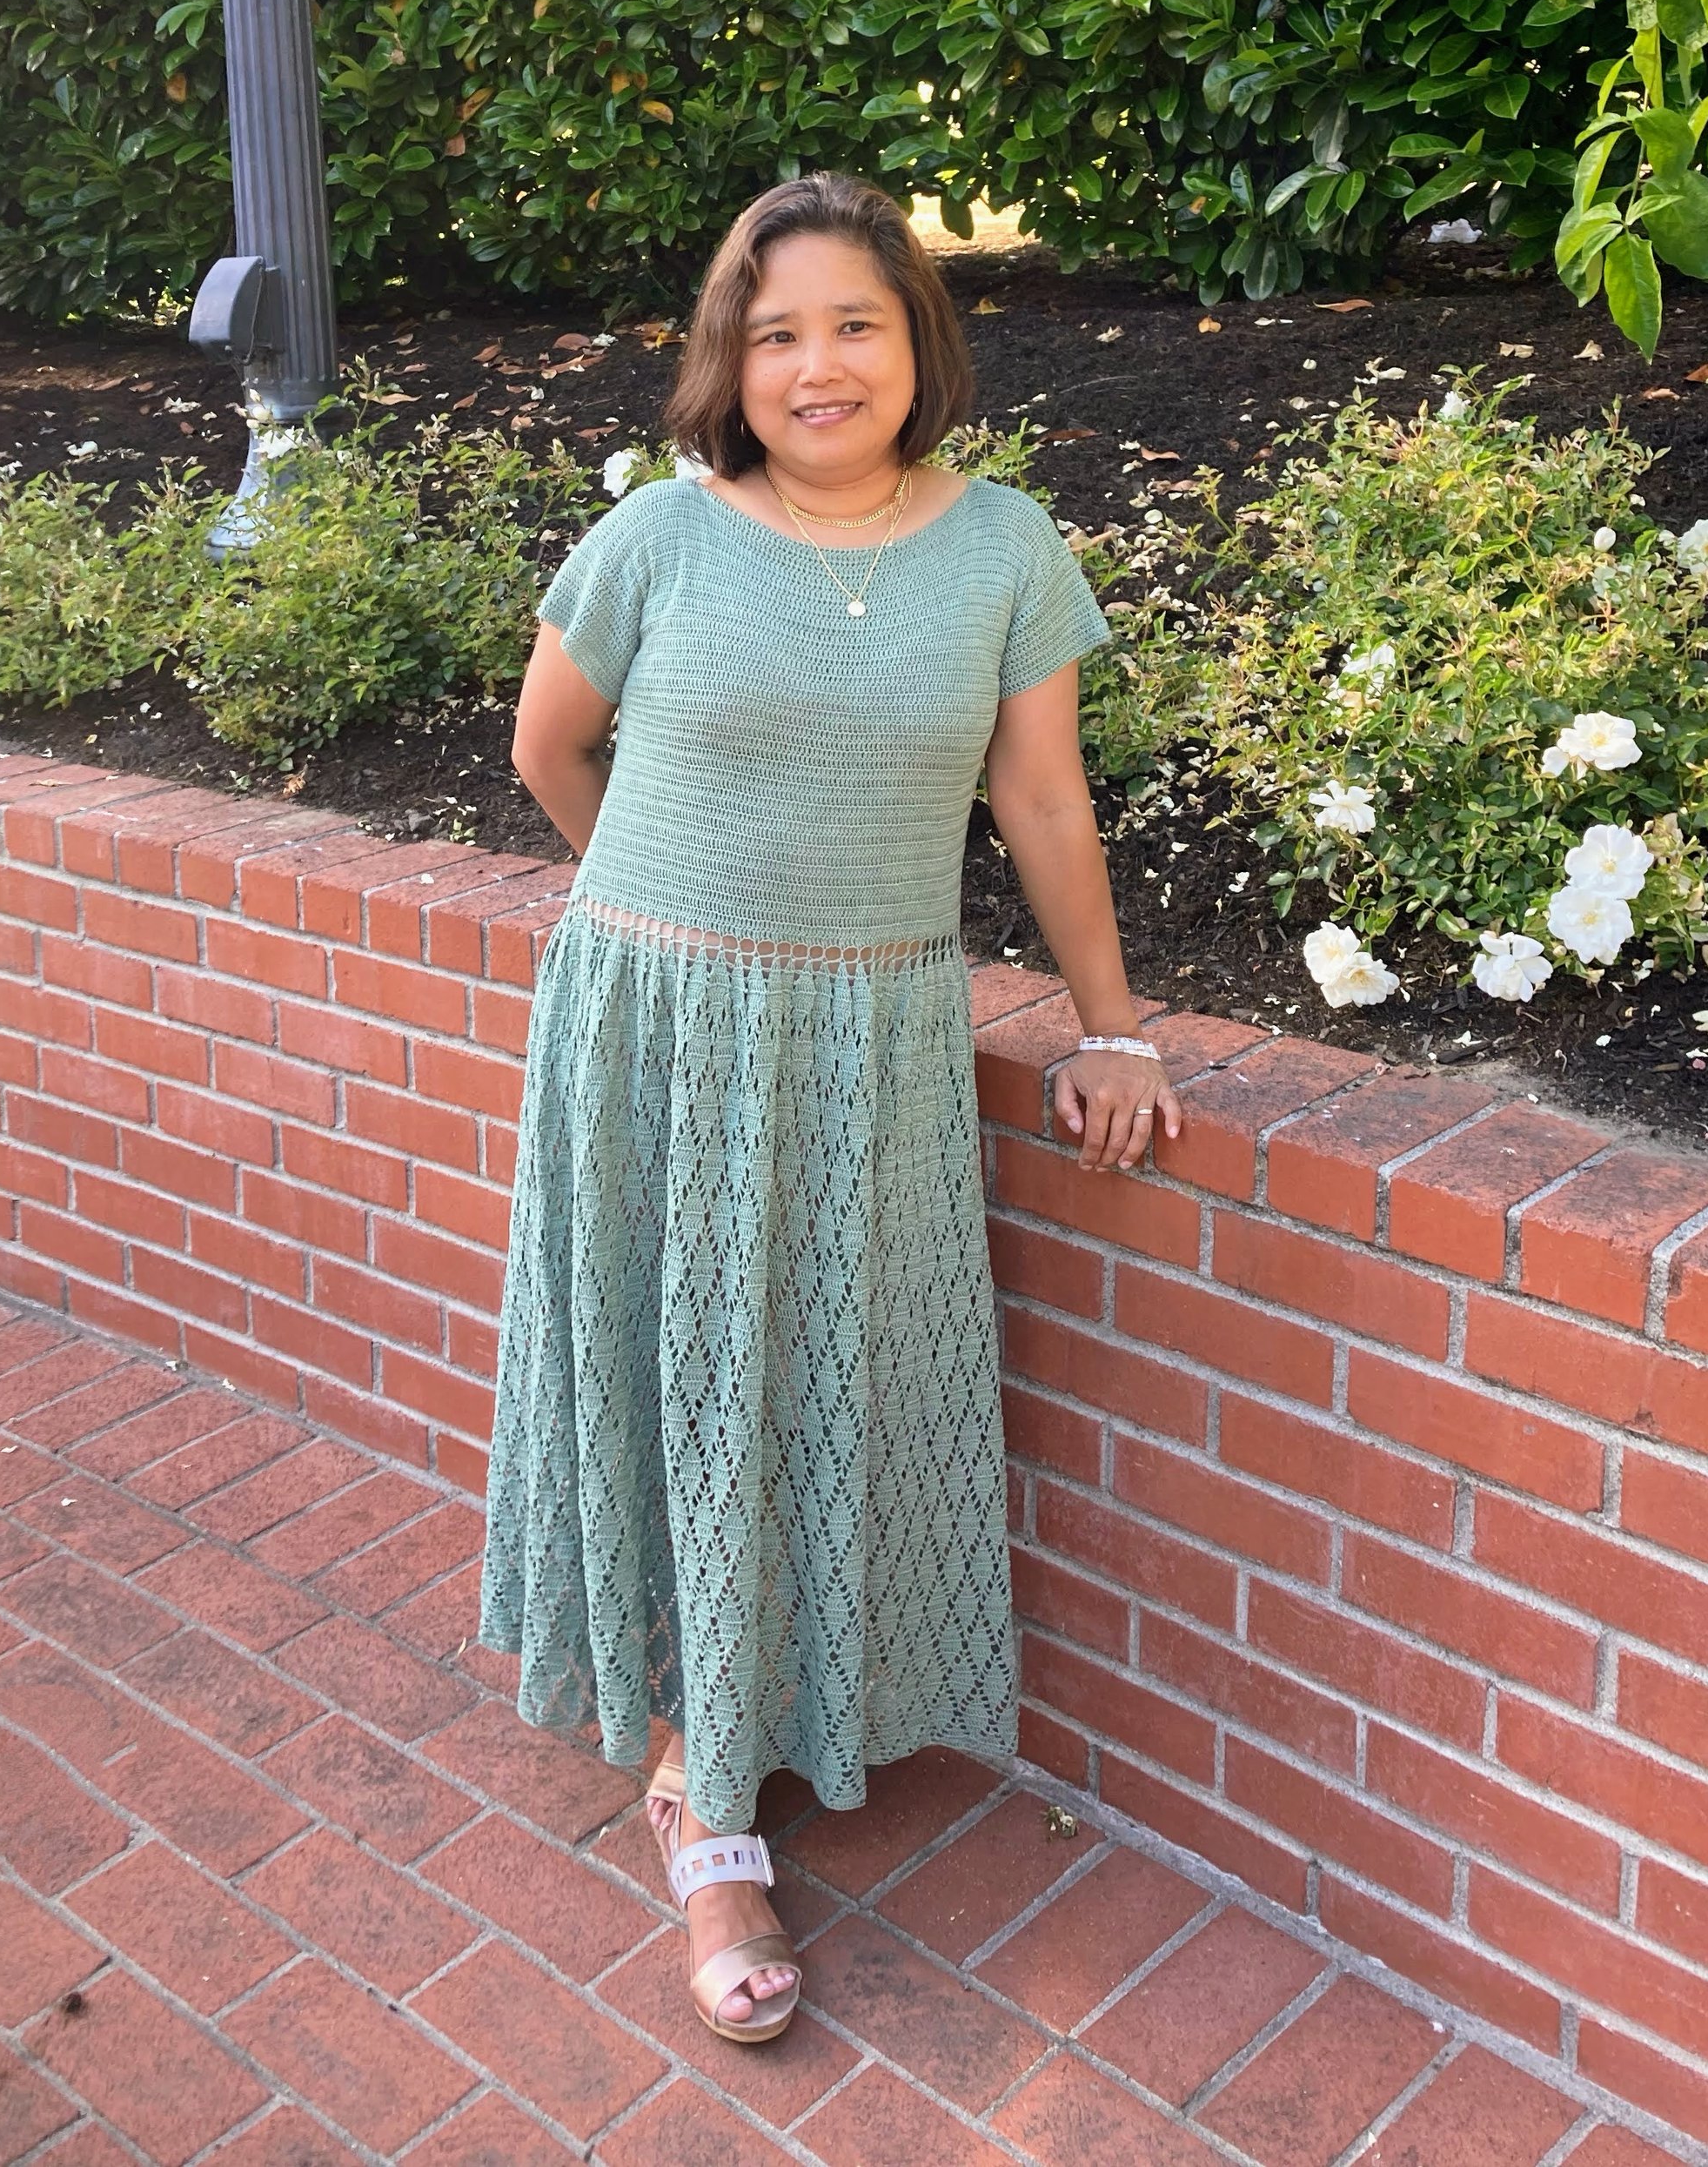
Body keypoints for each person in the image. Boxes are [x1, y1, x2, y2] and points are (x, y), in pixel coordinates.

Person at [478, 172, 1182, 2044]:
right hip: (653, 1024)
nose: (818, 365)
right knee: (677, 1364)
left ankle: (753, 1687)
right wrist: (671, 929)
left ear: (916, 340)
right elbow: (550, 747)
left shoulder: (1005, 546)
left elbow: (1042, 802)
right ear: (730, 361)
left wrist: (1114, 1029)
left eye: (855, 323)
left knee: (802, 1371)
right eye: (775, 331)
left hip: (871, 1037)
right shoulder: (657, 535)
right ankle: (703, 1799)